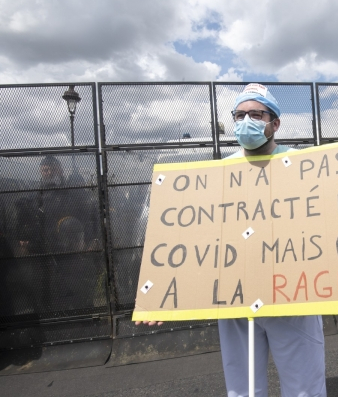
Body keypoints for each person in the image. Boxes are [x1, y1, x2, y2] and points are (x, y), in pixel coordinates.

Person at [138, 84, 327, 397]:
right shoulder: (220, 173)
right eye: (239, 115)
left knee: (304, 386)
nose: (245, 121)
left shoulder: (304, 166)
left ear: (274, 122)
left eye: (255, 114)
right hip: (236, 299)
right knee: (243, 389)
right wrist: (161, 295)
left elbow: (328, 228)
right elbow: (195, 242)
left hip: (291, 297)